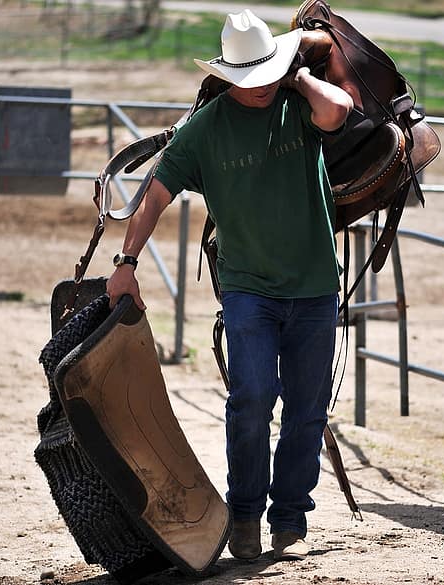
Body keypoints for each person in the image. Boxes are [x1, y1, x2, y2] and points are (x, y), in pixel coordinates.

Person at [106, 8, 353, 563]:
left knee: (308, 409)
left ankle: (290, 516)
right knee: (251, 401)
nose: (259, 87)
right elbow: (155, 195)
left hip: (315, 287)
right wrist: (126, 262)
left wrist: (297, 75)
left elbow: (339, 111)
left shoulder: (298, 103)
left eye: (266, 73)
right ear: (227, 77)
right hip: (248, 291)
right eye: (249, 78)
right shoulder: (205, 129)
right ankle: (244, 514)